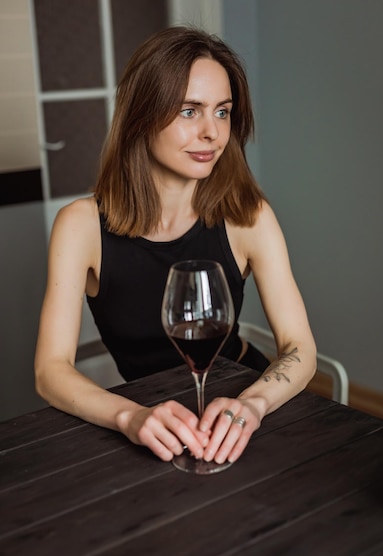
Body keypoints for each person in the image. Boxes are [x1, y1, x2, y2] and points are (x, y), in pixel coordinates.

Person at [35, 26, 317, 466]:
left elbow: (299, 348)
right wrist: (129, 416)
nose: (212, 133)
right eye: (190, 111)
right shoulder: (81, 226)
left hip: (248, 405)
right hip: (155, 421)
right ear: (141, 115)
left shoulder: (248, 214)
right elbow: (50, 371)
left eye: (222, 112)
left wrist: (253, 406)